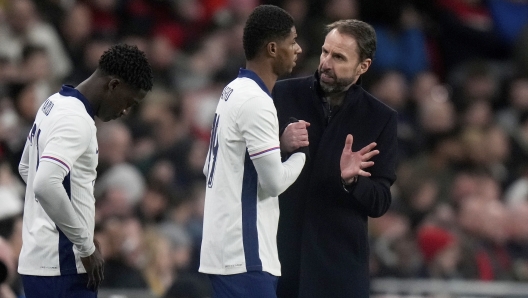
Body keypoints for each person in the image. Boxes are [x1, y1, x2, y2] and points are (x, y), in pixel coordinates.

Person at [272, 19, 398, 298]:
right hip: (278, 261)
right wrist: (280, 146)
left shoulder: (381, 119)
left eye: (339, 57)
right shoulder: (283, 93)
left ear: (362, 66)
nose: (326, 63)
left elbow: (380, 200)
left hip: (338, 273)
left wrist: (352, 181)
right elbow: (251, 165)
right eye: (325, 52)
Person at [17, 44, 153, 298]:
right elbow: (45, 184)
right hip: (64, 266)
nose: (124, 111)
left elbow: (27, 168)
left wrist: (76, 229)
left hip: (40, 260)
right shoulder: (77, 120)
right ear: (113, 85)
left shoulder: (54, 103)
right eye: (128, 101)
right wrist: (84, 244)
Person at [199, 5, 307, 298]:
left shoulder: (233, 90)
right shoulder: (257, 101)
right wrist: (301, 156)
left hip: (227, 250)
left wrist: (279, 145)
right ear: (273, 48)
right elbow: (273, 183)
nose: (297, 49)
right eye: (292, 41)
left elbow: (215, 166)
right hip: (244, 253)